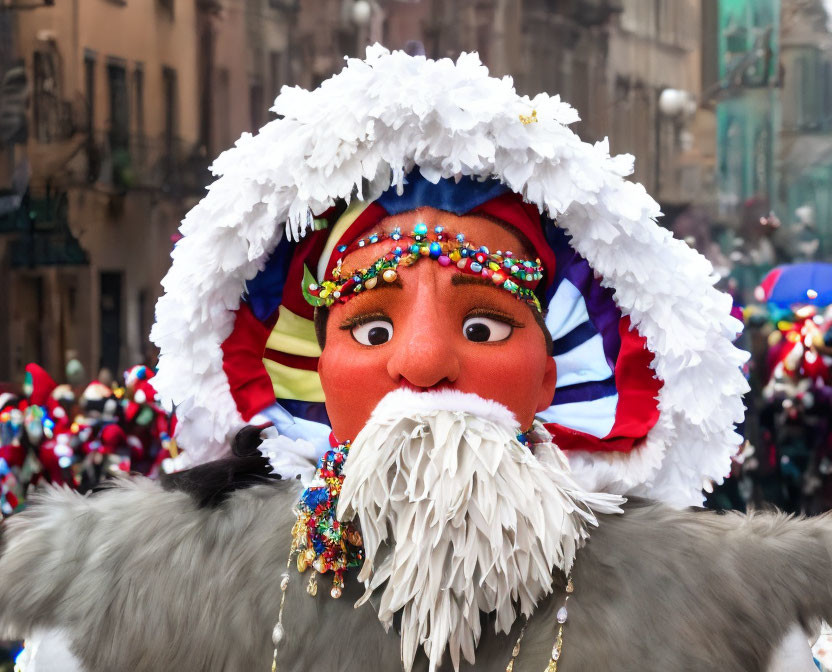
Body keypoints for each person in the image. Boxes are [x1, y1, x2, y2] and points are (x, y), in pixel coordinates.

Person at [0, 47, 826, 672]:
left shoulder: (724, 612)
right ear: (310, 370)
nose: (424, 362)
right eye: (368, 330)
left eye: (484, 327)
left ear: (556, 372)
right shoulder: (113, 606)